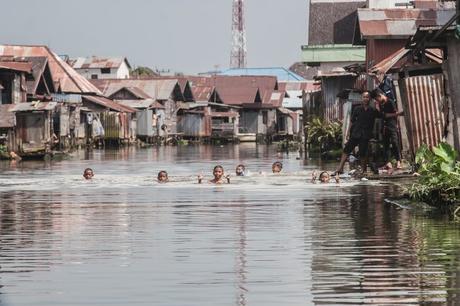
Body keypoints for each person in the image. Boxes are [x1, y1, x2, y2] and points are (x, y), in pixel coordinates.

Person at [335, 91, 380, 175]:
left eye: (367, 97)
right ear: (361, 98)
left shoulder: (373, 110)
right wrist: (348, 133)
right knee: (346, 149)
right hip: (356, 133)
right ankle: (340, 168)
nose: (365, 98)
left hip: (365, 135)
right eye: (364, 97)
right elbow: (351, 121)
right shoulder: (357, 109)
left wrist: (396, 114)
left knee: (363, 153)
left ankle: (363, 171)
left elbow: (382, 115)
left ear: (369, 99)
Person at [371, 89, 404, 170]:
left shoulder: (390, 102)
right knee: (386, 145)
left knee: (395, 143)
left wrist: (394, 116)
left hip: (392, 125)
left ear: (379, 96)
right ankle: (388, 163)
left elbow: (394, 114)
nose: (376, 101)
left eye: (376, 99)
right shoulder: (380, 104)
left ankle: (398, 161)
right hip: (384, 127)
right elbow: (383, 115)